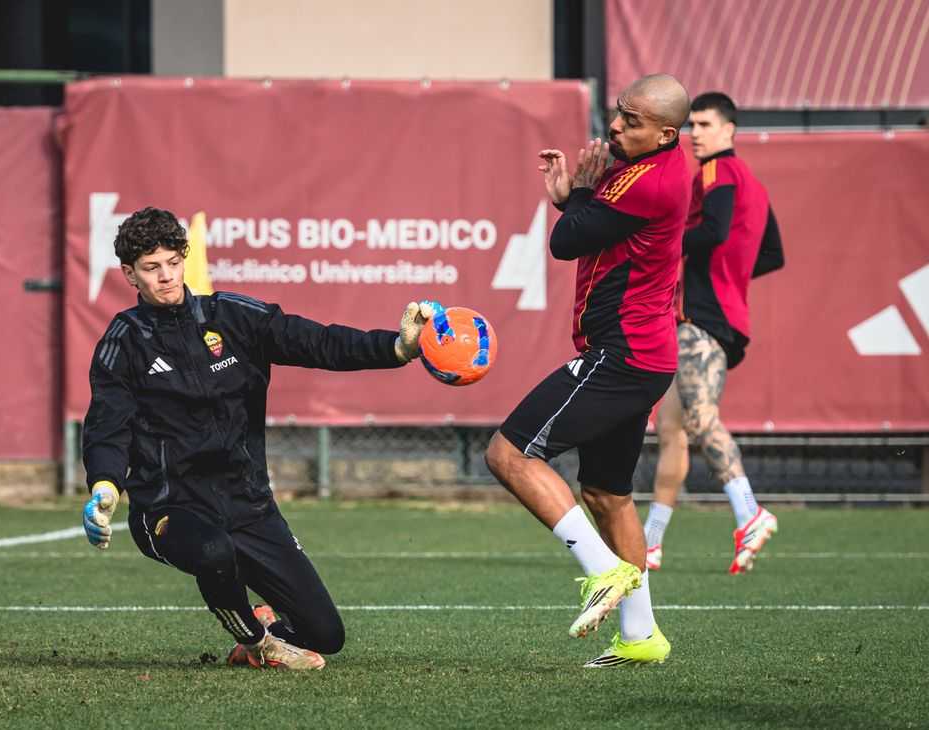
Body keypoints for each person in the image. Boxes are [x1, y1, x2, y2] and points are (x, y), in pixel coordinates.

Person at [80, 206, 434, 670]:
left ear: (184, 258)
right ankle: (254, 641)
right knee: (212, 551)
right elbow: (109, 423)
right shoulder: (122, 341)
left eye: (172, 262)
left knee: (325, 634)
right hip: (169, 508)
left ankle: (264, 623)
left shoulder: (231, 317)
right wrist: (105, 485)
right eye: (150, 268)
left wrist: (395, 348)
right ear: (130, 274)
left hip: (247, 504)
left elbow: (317, 342)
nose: (165, 276)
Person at [484, 74, 691, 667]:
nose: (617, 126)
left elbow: (566, 240)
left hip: (623, 355)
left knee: (507, 453)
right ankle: (642, 636)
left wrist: (575, 192)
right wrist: (578, 194)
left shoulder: (652, 182)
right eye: (618, 113)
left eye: (632, 121)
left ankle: (603, 571)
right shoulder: (650, 168)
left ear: (666, 134)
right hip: (640, 355)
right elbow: (585, 221)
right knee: (606, 493)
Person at [643, 92, 785, 575]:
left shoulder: (715, 170)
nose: (695, 133)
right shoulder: (755, 184)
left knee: (701, 421)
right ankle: (650, 543)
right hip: (722, 314)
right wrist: (729, 276)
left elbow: (716, 230)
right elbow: (772, 256)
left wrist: (661, 243)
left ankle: (749, 512)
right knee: (670, 428)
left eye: (705, 124)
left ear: (729, 131)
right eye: (692, 126)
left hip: (700, 316)